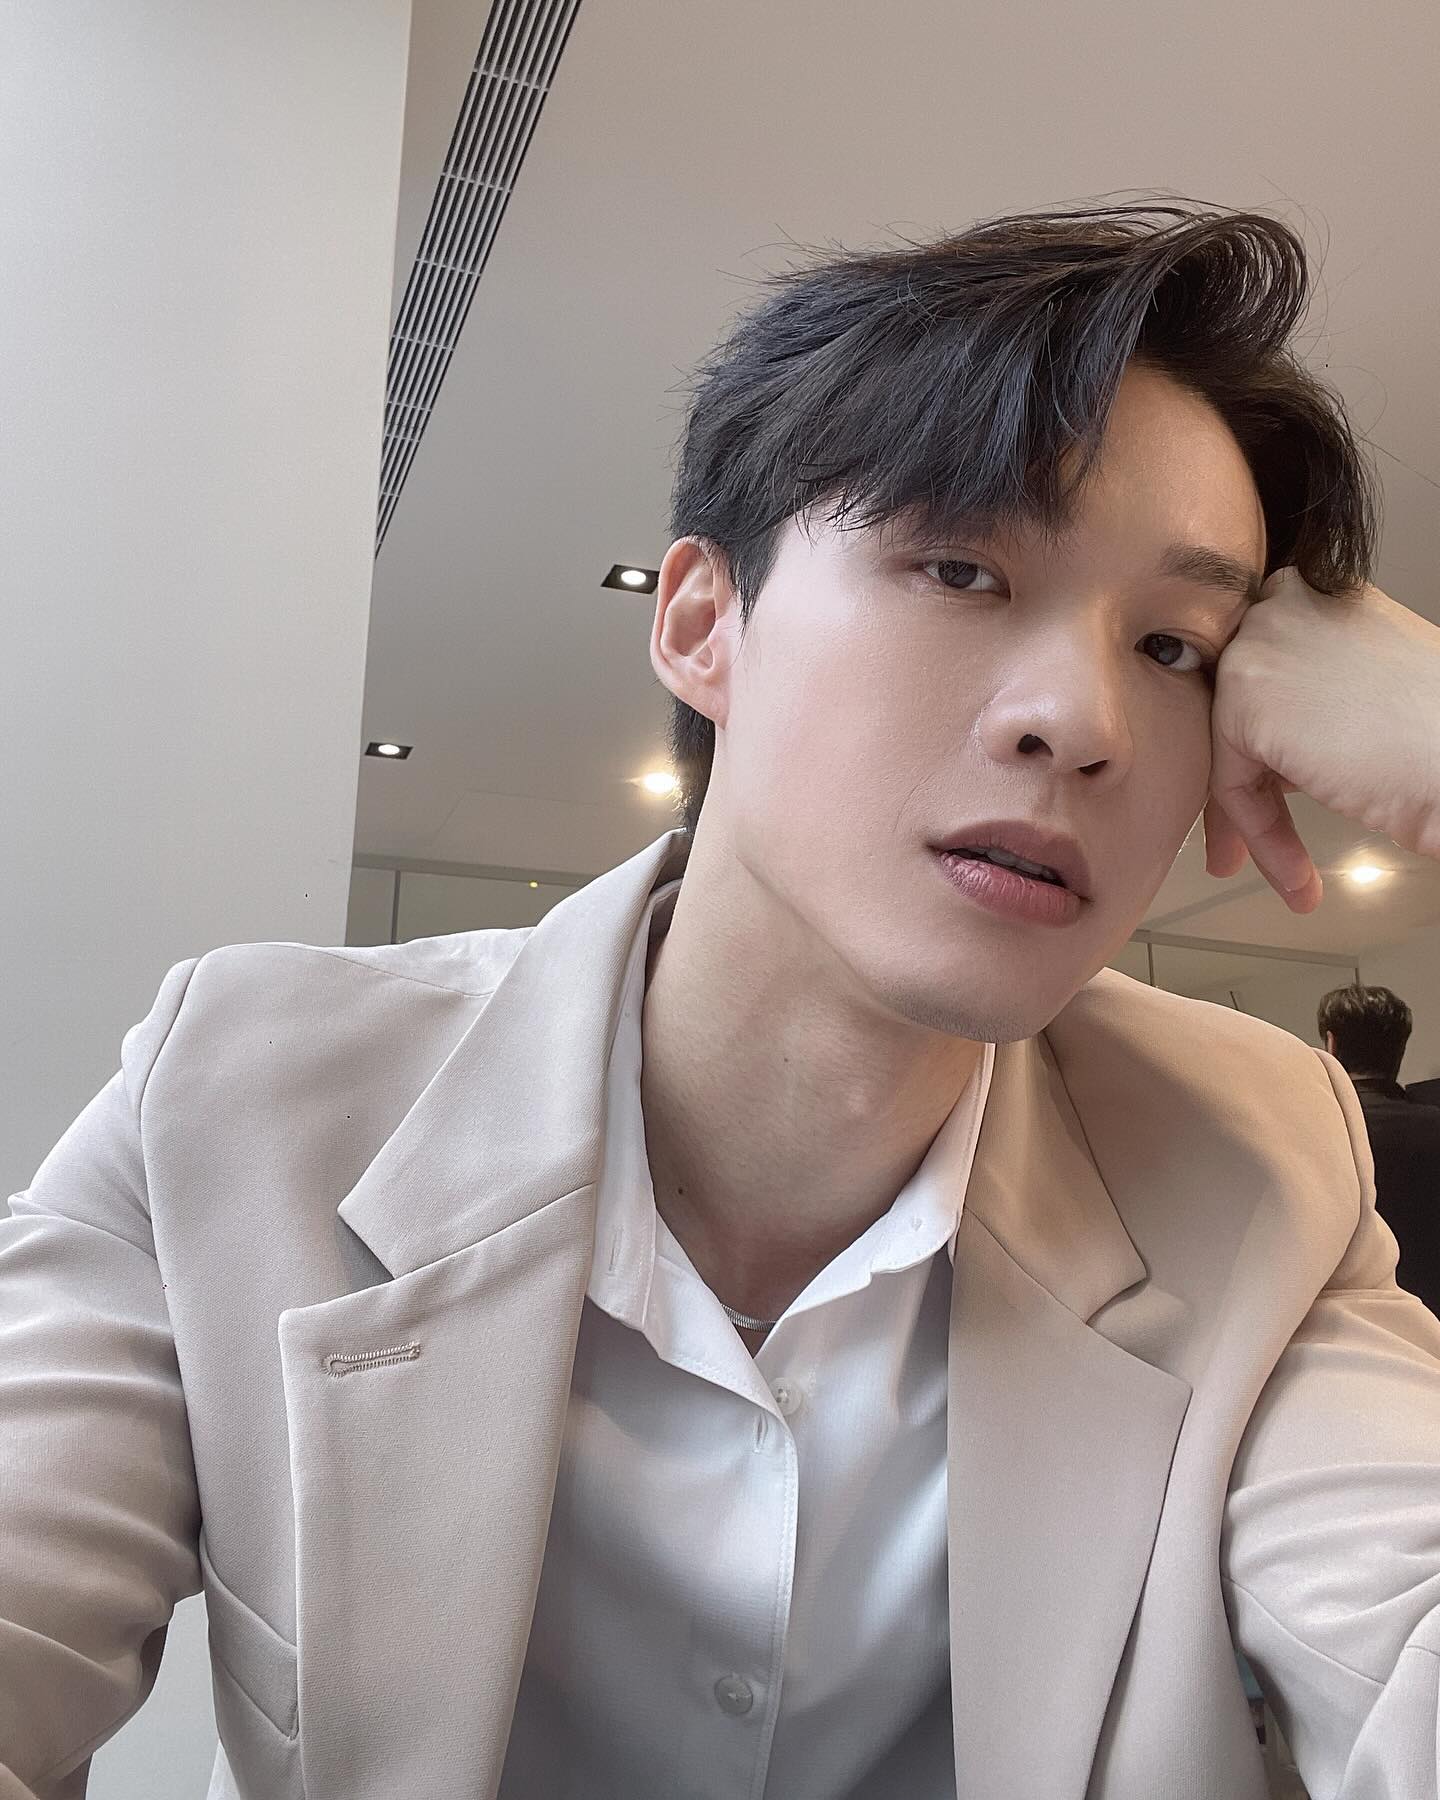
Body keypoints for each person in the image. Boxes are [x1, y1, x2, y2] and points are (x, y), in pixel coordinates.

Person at [6, 199, 1440, 1800]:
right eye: (961, 566)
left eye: (1176, 647)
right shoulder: (244, 1100)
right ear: (702, 622)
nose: (1080, 719)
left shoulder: (1257, 1170)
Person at [1318, 983, 1440, 1317]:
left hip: (1351, 1322)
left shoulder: (1315, 1129)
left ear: (1331, 1043)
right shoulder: (1433, 1124)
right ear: (1400, 1048)